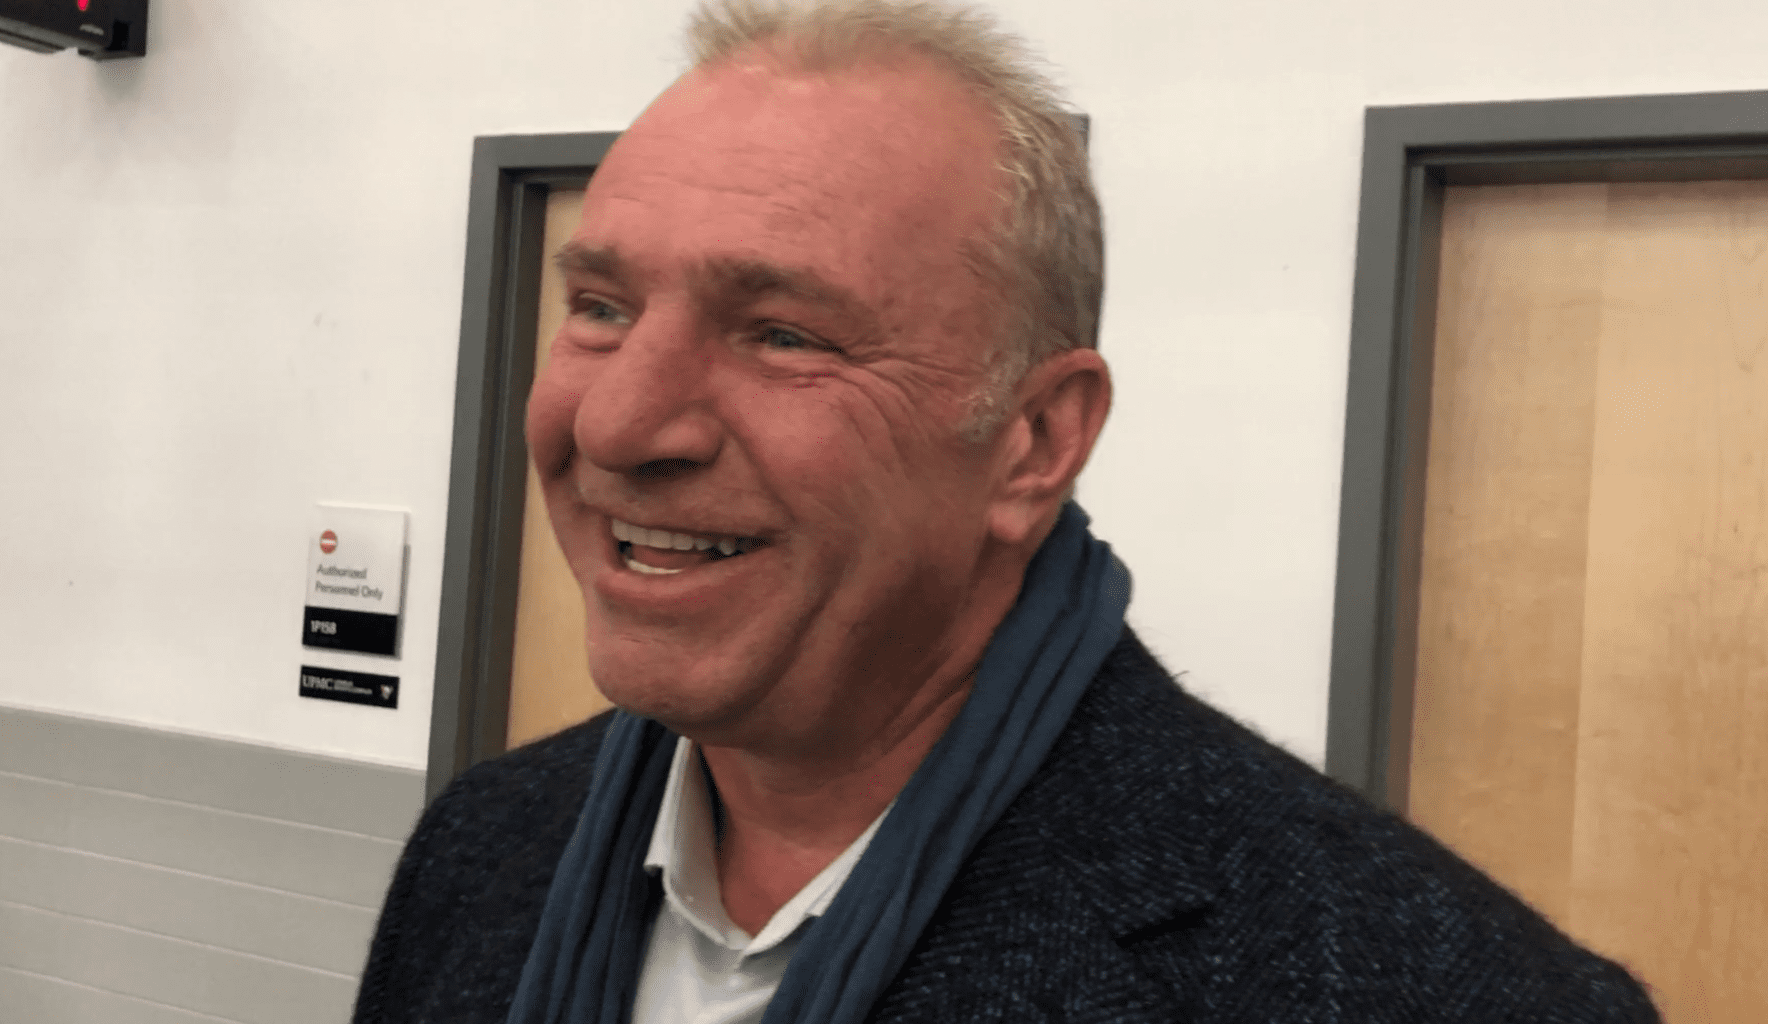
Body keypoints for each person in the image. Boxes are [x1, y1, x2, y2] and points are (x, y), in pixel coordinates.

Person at [352, 2, 1661, 1022]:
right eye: (601, 308)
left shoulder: (1416, 987)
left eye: (784, 332)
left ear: (1035, 442)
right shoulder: (484, 851)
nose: (618, 425)